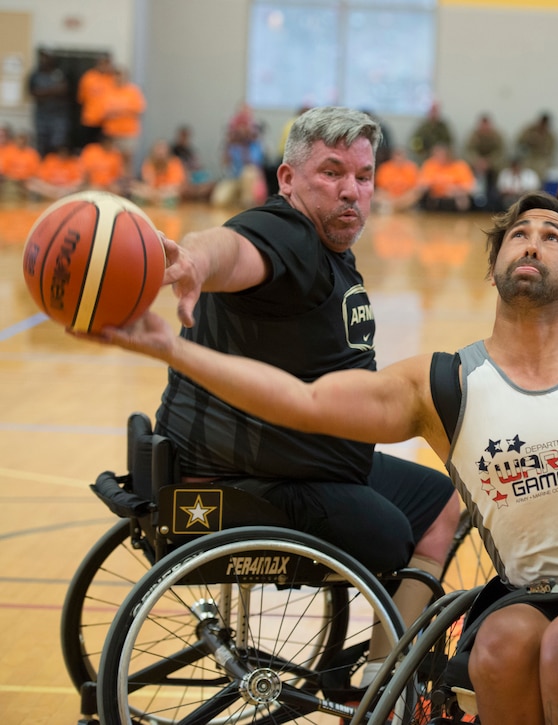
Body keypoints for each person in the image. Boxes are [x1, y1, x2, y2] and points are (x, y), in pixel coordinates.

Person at [86, 189, 558, 724]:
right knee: (496, 646)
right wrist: (170, 346)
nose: (533, 240)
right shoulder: (445, 384)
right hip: (542, 592)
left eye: (553, 235)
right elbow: (300, 403)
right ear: (493, 270)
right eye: (518, 231)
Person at [112, 106, 460, 685]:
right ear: (288, 180)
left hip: (294, 466)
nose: (351, 191)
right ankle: (391, 677)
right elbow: (234, 249)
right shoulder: (288, 235)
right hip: (249, 483)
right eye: (331, 172)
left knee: (441, 501)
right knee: (393, 529)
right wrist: (197, 259)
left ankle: (383, 670)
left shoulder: (326, 252)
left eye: (364, 176)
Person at [100, 67, 146, 175]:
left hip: (128, 131)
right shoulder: (108, 91)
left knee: (127, 159)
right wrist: (125, 111)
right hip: (111, 132)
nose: (118, 78)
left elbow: (138, 110)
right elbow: (103, 112)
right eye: (116, 75)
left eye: (121, 75)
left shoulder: (133, 91)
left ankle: (126, 185)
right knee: (111, 159)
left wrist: (117, 111)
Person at [27, 48, 71, 156]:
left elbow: (64, 90)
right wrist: (53, 90)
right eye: (42, 57)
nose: (44, 60)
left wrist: (44, 92)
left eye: (46, 57)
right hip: (42, 114)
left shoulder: (59, 73)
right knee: (41, 142)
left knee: (58, 142)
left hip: (58, 115)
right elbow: (33, 93)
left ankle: (54, 168)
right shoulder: (35, 75)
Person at [414, 143, 476, 212]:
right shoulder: (430, 164)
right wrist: (431, 184)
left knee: (462, 198)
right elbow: (421, 183)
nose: (439, 157)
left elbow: (470, 187)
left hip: (453, 197)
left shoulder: (460, 166)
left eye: (442, 154)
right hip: (434, 197)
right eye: (436, 155)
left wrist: (455, 189)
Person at [463, 113, 506, 210]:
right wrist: (477, 161)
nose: (484, 128)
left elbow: (501, 152)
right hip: (476, 165)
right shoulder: (473, 135)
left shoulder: (497, 136)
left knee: (500, 171)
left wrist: (489, 162)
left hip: (493, 165)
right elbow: (468, 150)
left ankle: (495, 200)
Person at [131, 139, 186, 207]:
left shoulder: (174, 163)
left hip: (166, 192)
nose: (160, 153)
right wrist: (152, 192)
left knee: (172, 194)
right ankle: (157, 202)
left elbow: (174, 185)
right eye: (158, 150)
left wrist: (158, 192)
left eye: (163, 150)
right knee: (136, 189)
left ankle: (153, 202)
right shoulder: (149, 163)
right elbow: (148, 183)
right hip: (153, 191)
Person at [76, 53, 114, 148]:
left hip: (107, 121)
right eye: (102, 63)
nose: (104, 66)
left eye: (106, 63)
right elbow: (81, 98)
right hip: (90, 119)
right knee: (89, 146)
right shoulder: (88, 77)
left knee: (105, 148)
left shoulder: (112, 78)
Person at [374, 146, 420, 213]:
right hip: (389, 196)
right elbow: (380, 188)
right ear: (392, 156)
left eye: (401, 155)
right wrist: (392, 198)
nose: (399, 158)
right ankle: (399, 208)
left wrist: (401, 198)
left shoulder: (411, 168)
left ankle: (392, 207)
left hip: (405, 197)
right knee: (377, 195)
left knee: (414, 195)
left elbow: (414, 189)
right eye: (397, 155)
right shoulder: (384, 168)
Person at [515, 111, 557, 182]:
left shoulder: (549, 136)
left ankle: (538, 190)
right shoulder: (530, 130)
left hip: (541, 158)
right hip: (529, 155)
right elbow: (519, 140)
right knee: (525, 173)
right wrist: (531, 139)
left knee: (540, 173)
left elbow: (551, 149)